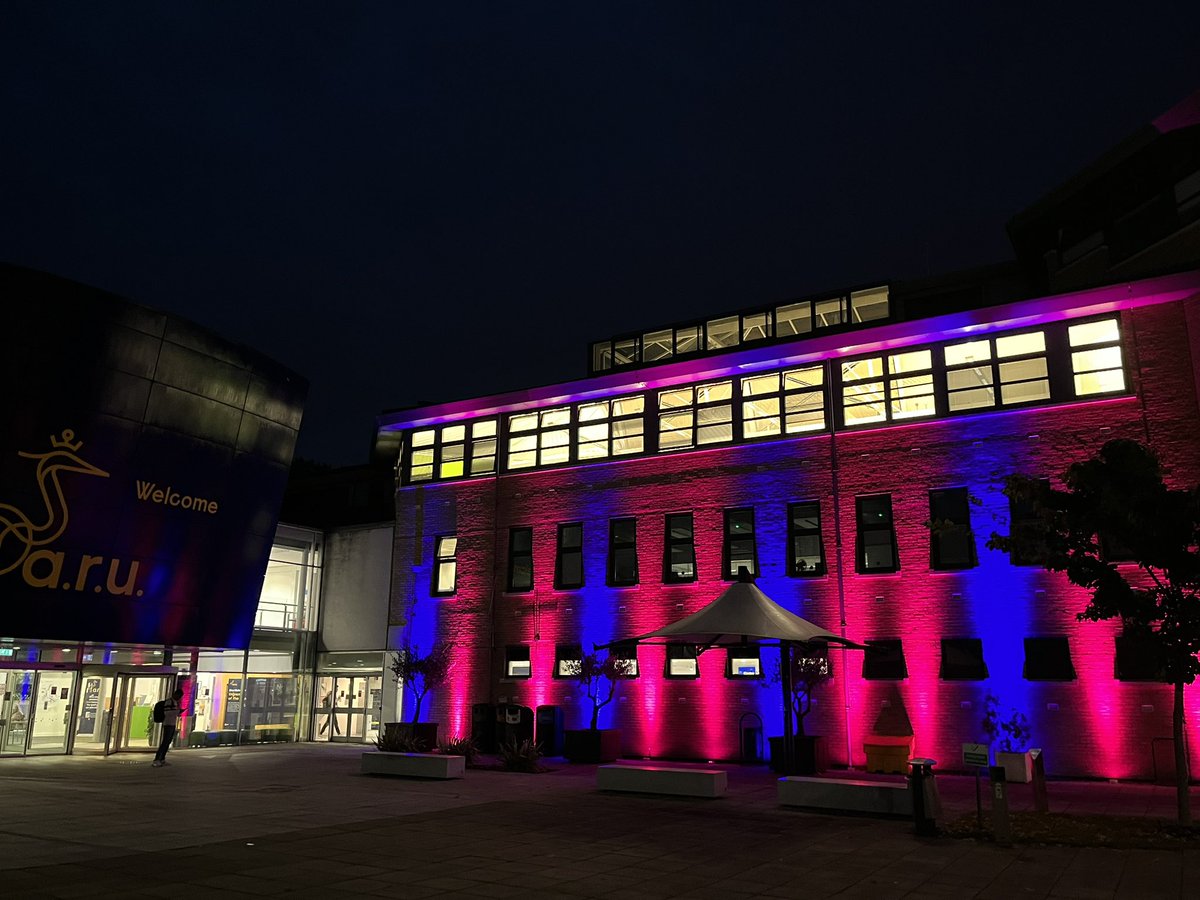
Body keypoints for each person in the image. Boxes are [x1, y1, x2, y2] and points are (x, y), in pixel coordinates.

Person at [152, 688, 184, 767]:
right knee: (165, 742)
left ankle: (162, 759)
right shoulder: (169, 702)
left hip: (172, 724)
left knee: (168, 742)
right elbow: (168, 713)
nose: (179, 698)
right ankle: (157, 759)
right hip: (168, 724)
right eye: (179, 696)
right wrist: (178, 711)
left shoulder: (175, 702)